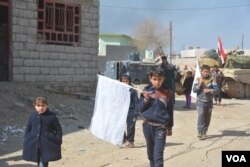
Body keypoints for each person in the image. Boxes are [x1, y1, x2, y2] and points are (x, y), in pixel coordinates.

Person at [138, 67, 173, 167]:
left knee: (158, 155)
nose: (157, 82)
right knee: (150, 154)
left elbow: (170, 111)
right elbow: (140, 109)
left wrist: (170, 127)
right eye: (154, 79)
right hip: (147, 126)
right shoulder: (146, 91)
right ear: (150, 78)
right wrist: (146, 99)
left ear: (163, 79)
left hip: (161, 128)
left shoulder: (168, 93)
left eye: (159, 79)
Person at [23, 96, 62, 167]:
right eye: (38, 105)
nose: (41, 108)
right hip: (34, 145)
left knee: (43, 163)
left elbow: (58, 129)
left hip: (47, 145)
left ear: (47, 105)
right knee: (39, 162)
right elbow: (28, 128)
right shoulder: (32, 116)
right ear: (34, 106)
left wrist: (58, 140)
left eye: (43, 105)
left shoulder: (52, 116)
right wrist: (27, 138)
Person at [193, 65, 218, 140]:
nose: (206, 73)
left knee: (207, 117)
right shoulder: (198, 79)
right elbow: (194, 90)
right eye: (204, 71)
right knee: (201, 115)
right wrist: (200, 84)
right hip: (200, 101)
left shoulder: (212, 80)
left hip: (209, 102)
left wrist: (210, 90)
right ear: (201, 71)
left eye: (207, 72)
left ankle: (204, 132)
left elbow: (217, 90)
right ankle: (200, 131)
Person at [120, 74, 139, 148]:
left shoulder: (133, 91)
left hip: (131, 111)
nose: (125, 83)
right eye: (123, 81)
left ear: (130, 82)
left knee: (130, 127)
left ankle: (130, 142)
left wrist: (136, 112)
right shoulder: (118, 90)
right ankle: (123, 140)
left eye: (127, 81)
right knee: (120, 126)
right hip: (121, 111)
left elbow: (136, 102)